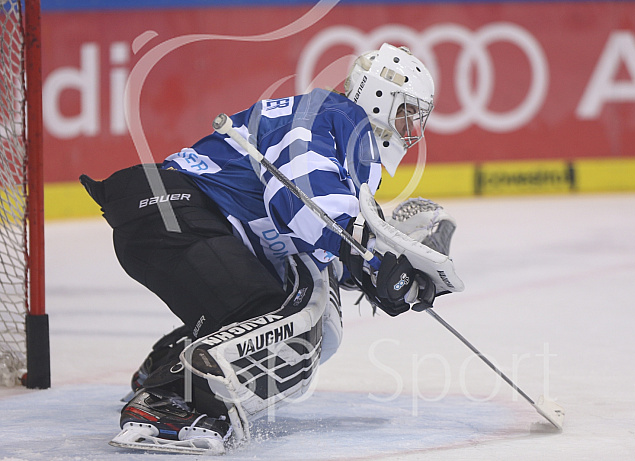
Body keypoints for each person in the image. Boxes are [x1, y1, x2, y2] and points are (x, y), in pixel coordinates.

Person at [81, 43, 456, 454]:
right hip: (174, 213)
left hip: (175, 215)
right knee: (279, 320)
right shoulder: (333, 117)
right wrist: (372, 256)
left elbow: (321, 244)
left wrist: (384, 274)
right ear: (379, 95)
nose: (412, 128)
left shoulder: (343, 141)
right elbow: (303, 192)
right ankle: (167, 402)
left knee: (297, 312)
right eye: (407, 111)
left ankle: (169, 363)